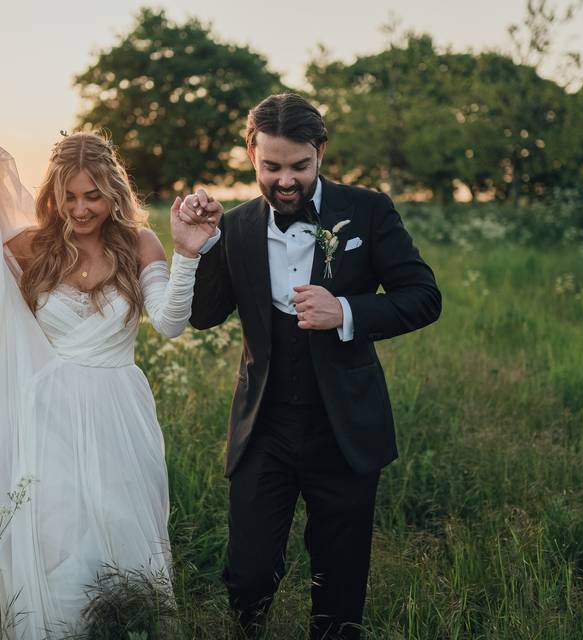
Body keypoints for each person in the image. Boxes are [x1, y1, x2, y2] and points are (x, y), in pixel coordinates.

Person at [0, 132, 219, 638]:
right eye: (69, 196)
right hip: (47, 410)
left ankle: (128, 621)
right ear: (53, 195)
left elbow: (170, 322)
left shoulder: (138, 243)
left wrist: (188, 252)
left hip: (118, 410)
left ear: (115, 194)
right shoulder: (35, 245)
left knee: (121, 522)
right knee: (57, 532)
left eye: (94, 196)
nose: (80, 210)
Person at [181, 93, 441, 639]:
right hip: (264, 427)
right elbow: (205, 317)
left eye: (299, 166)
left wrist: (345, 309)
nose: (285, 180)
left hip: (344, 424)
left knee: (340, 582)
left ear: (321, 151)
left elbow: (422, 296)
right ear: (251, 154)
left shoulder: (368, 210)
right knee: (248, 573)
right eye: (271, 167)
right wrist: (198, 250)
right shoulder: (236, 225)